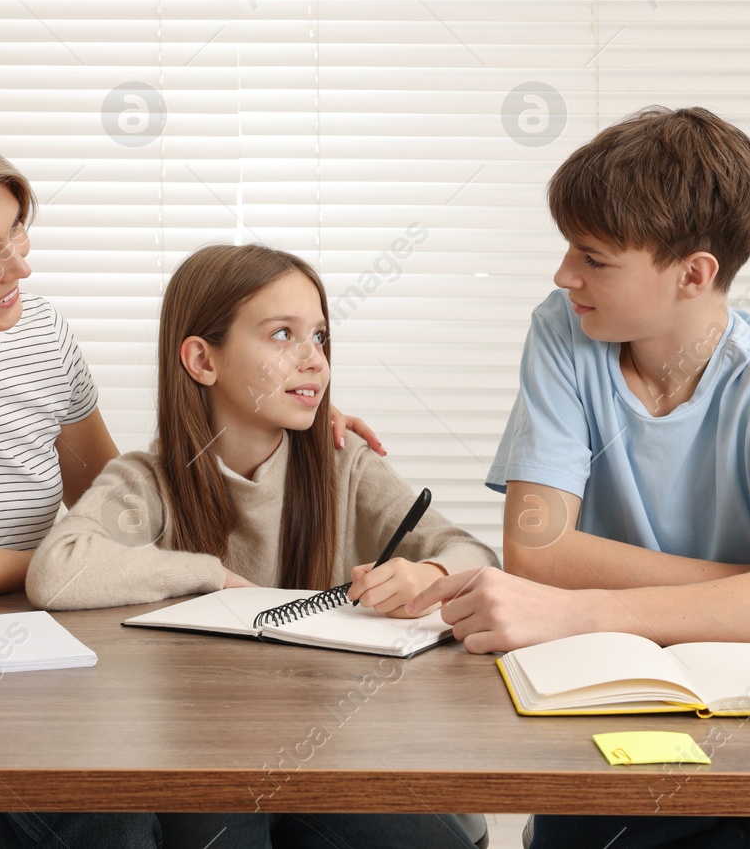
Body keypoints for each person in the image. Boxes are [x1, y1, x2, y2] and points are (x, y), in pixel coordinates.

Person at [0, 119, 379, 849]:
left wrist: (277, 409)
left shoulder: (41, 332)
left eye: (17, 235)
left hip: (44, 657)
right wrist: (70, 567)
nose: (18, 269)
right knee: (111, 820)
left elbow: (131, 508)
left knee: (192, 801)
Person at [407, 107, 750, 849]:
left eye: (594, 258)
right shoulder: (566, 331)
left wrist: (580, 609)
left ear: (694, 273)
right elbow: (537, 551)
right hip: (617, 704)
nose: (564, 274)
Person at [27, 242, 498, 848]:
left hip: (332, 743)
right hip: (198, 750)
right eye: (282, 335)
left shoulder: (342, 464)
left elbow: (474, 555)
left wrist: (428, 570)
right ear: (202, 359)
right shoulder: (149, 479)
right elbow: (58, 570)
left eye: (320, 338)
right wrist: (211, 577)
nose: (314, 361)